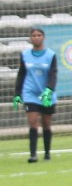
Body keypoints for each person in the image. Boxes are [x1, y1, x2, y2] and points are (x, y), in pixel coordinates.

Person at [13, 27, 58, 163]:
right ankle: (33, 155)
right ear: (30, 39)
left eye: (39, 35)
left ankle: (47, 153)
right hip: (30, 93)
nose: (36, 37)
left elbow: (53, 74)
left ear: (43, 38)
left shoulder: (50, 55)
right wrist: (17, 93)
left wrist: (49, 90)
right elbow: (21, 74)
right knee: (33, 122)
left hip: (46, 93)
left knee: (46, 123)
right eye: (34, 35)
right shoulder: (25, 55)